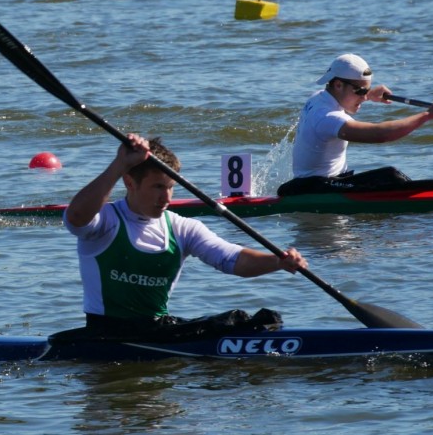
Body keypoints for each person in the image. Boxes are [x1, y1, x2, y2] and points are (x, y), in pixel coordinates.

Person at [54, 135, 308, 344]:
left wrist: (277, 262)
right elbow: (75, 217)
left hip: (156, 330)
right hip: (104, 334)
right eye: (157, 187)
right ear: (129, 182)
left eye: (171, 187)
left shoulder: (182, 228)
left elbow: (232, 260)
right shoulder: (105, 221)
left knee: (252, 323)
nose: (166, 198)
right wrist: (119, 164)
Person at [278, 53, 433, 196]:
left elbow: (347, 98)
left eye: (366, 91)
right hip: (315, 188)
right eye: (361, 91)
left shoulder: (319, 97)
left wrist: (369, 95)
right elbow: (381, 135)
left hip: (319, 183)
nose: (364, 96)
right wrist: (427, 115)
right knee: (390, 175)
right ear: (338, 85)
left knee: (387, 178)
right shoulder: (327, 117)